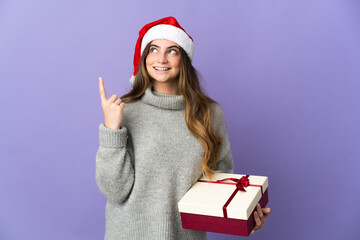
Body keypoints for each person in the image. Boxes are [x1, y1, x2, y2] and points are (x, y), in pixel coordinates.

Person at [96, 16, 270, 240]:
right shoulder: (124, 111)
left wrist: (247, 215)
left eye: (172, 51)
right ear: (144, 57)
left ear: (184, 59)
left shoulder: (209, 114)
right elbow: (114, 190)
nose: (161, 59)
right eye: (154, 50)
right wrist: (112, 131)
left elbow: (221, 183)